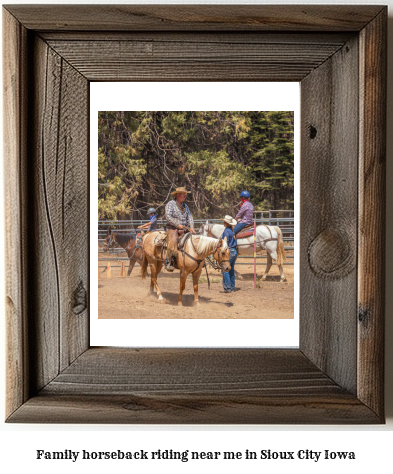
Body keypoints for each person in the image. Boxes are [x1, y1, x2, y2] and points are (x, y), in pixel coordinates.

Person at [164, 187, 196, 272]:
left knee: (194, 239)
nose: (185, 196)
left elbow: (190, 217)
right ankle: (169, 261)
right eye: (183, 194)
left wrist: (191, 227)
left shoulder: (185, 206)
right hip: (173, 228)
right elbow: (168, 216)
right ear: (178, 195)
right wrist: (177, 225)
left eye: (185, 194)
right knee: (173, 240)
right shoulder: (170, 204)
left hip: (185, 228)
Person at [219, 215, 238, 293]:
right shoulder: (232, 231)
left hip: (229, 251)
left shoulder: (226, 231)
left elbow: (225, 242)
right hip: (234, 251)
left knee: (225, 269)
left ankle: (228, 288)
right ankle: (232, 287)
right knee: (231, 269)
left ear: (225, 223)